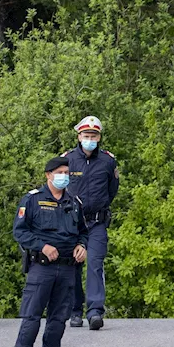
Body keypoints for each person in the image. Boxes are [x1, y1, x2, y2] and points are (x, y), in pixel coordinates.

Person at [9, 157, 87, 347]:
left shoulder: (74, 202)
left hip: (67, 269)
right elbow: (19, 232)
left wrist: (82, 246)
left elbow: (84, 232)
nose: (64, 175)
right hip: (41, 268)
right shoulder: (32, 200)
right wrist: (42, 246)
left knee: (57, 321)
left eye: (67, 172)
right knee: (32, 319)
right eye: (60, 172)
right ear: (48, 175)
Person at [64, 116, 120, 331]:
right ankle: (75, 311)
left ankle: (95, 311)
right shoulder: (68, 160)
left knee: (95, 264)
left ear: (99, 137)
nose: (90, 139)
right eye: (86, 135)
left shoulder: (108, 161)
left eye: (93, 136)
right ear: (79, 136)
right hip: (72, 224)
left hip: (97, 222)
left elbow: (112, 190)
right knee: (73, 265)